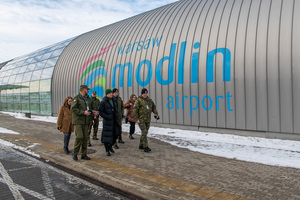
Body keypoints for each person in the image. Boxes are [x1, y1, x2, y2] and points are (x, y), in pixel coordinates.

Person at [71, 85, 93, 161]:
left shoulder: (87, 99)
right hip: (78, 121)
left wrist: (93, 112)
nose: (88, 91)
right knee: (79, 137)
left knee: (85, 138)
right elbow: (73, 109)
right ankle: (75, 153)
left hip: (85, 121)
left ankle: (84, 154)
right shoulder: (76, 98)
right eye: (87, 90)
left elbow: (88, 109)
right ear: (83, 90)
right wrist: (83, 112)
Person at [133, 88, 159, 152]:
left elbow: (153, 107)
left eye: (146, 93)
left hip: (148, 119)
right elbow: (135, 110)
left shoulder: (150, 100)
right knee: (144, 131)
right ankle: (145, 146)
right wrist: (136, 119)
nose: (145, 94)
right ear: (142, 94)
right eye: (144, 93)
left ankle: (141, 145)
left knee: (145, 132)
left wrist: (156, 114)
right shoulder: (138, 101)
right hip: (141, 119)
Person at [98, 89, 120, 156]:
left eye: (111, 93)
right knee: (107, 136)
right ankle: (107, 150)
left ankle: (110, 146)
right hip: (107, 121)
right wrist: (106, 117)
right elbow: (100, 111)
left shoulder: (114, 100)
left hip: (114, 120)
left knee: (115, 134)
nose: (111, 94)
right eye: (110, 93)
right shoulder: (103, 102)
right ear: (107, 94)